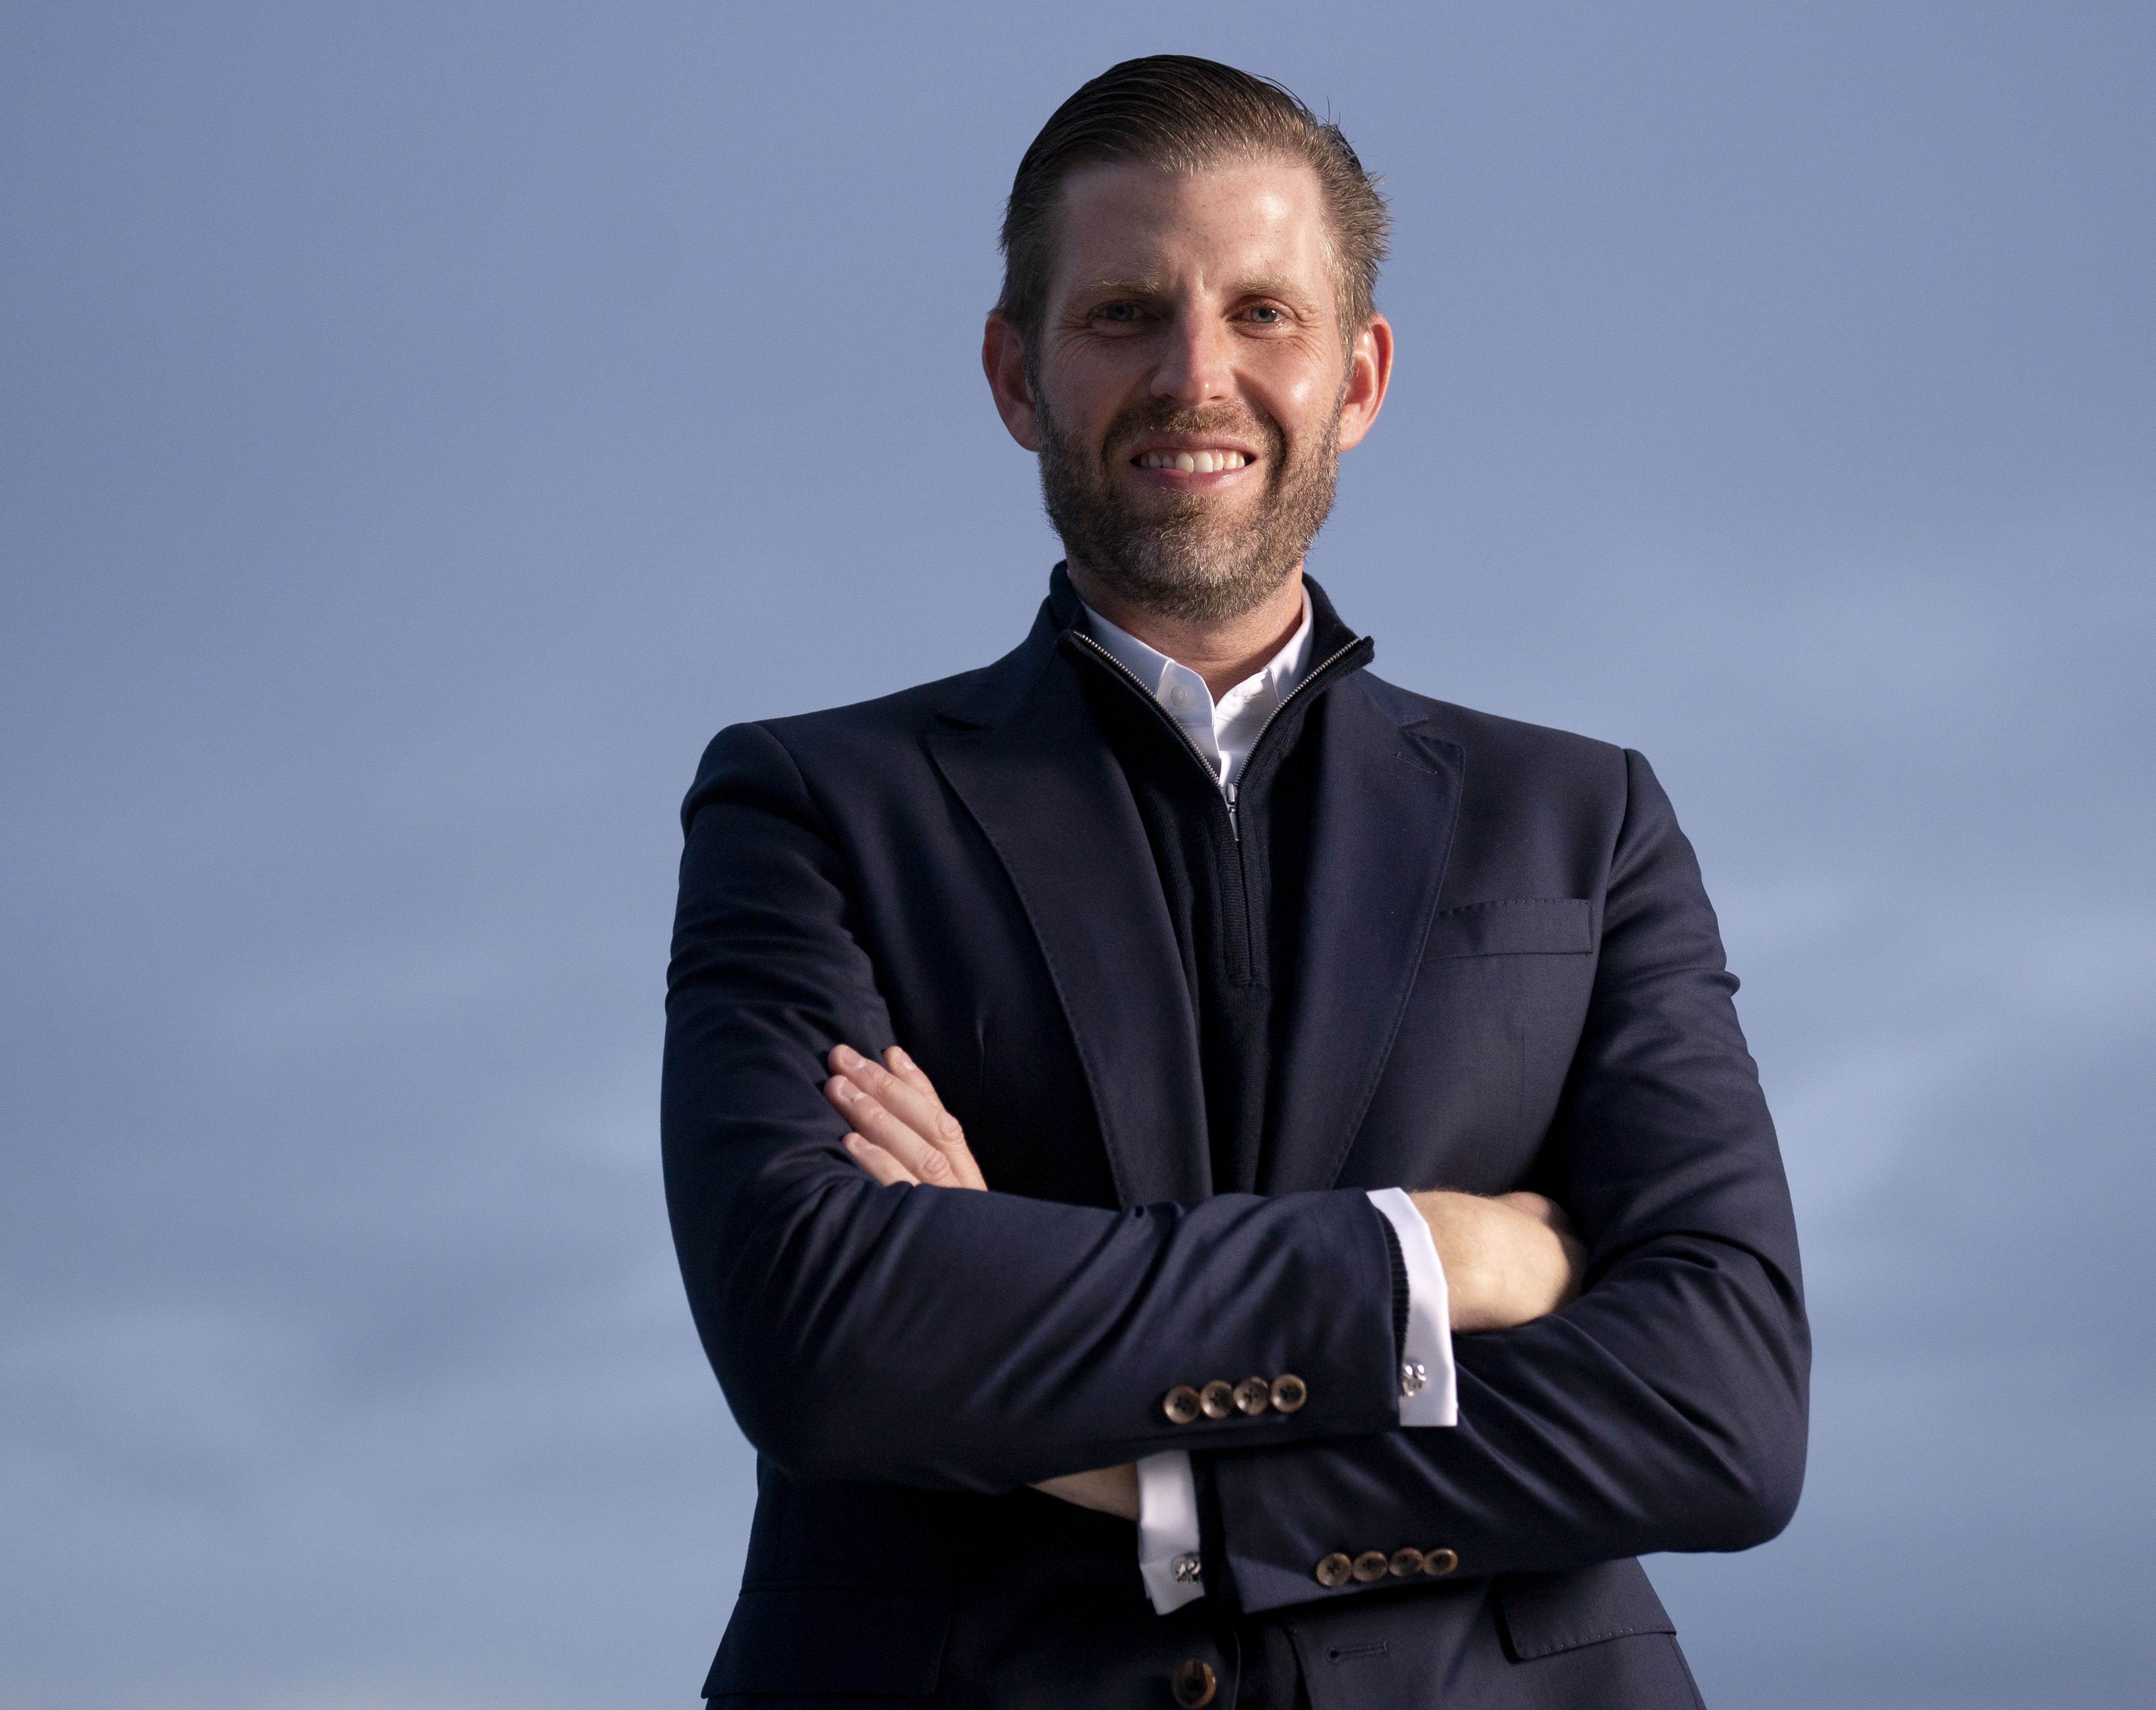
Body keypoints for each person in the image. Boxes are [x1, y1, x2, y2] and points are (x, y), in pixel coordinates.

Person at [662, 54, 1808, 1710]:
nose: (1195, 376)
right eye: (1125, 313)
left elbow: (1721, 1413)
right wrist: (1431, 1262)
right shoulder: (809, 803)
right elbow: (828, 1336)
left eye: (1263, 313)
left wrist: (1142, 1465)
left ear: (1359, 377)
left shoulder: (1585, 819)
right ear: (1014, 375)